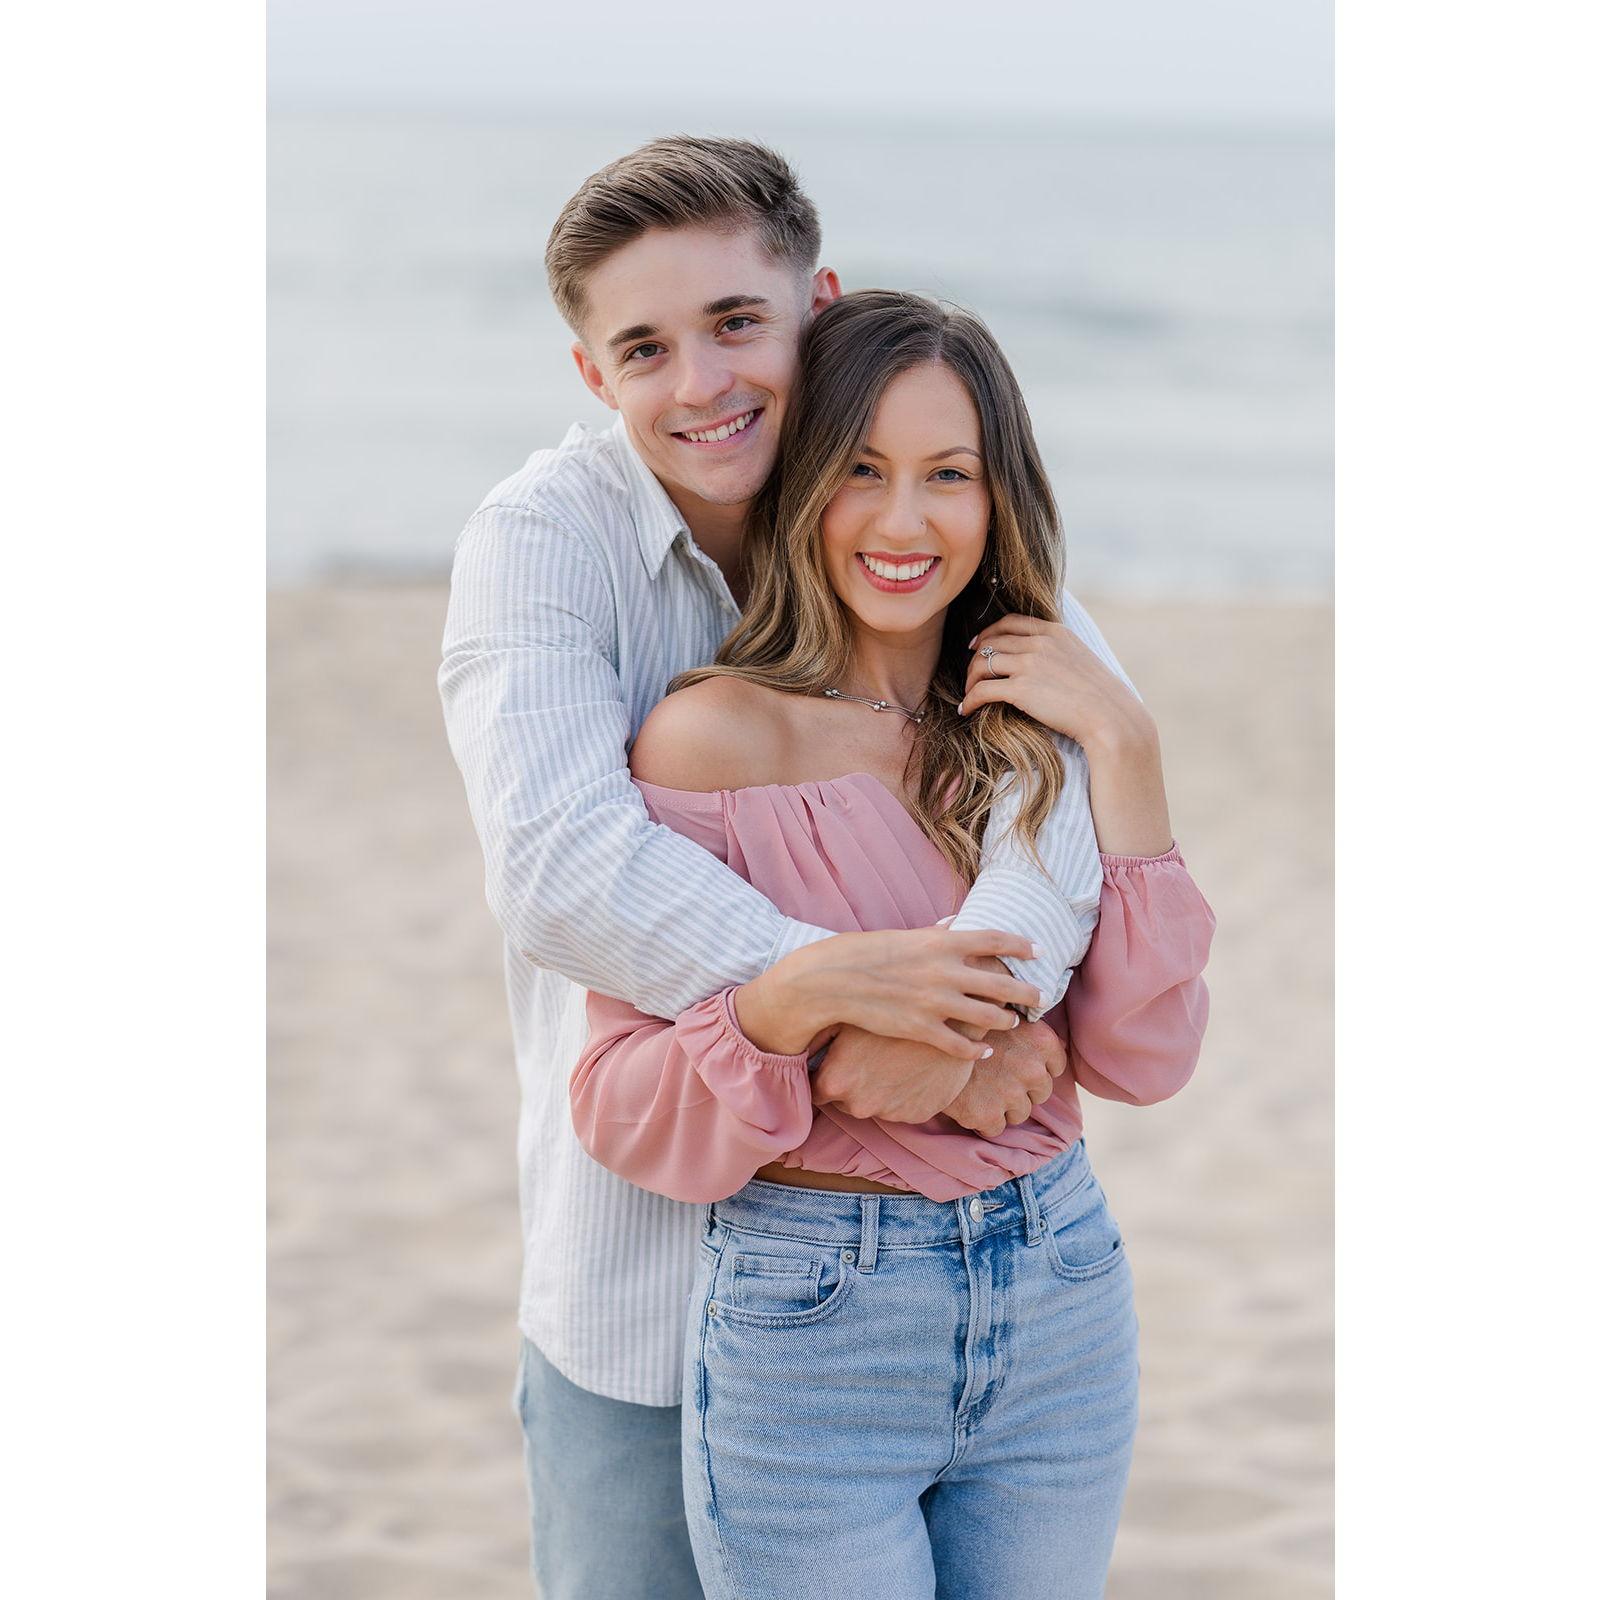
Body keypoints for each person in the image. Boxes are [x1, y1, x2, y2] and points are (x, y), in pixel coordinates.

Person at [440, 137, 1211, 1600]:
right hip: (650, 1262)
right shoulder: (545, 544)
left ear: (819, 308)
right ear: (595, 377)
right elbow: (559, 869)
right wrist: (866, 1015)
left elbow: (1069, 769)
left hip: (1006, 1283)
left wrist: (973, 1004)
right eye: (646, 347)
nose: (703, 383)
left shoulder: (918, 522)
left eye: (739, 322)